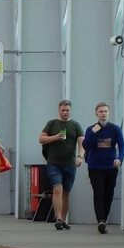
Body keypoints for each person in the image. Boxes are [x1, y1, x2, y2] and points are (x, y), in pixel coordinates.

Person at [82, 102, 124, 234]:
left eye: (105, 111)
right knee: (99, 192)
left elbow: (122, 146)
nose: (103, 114)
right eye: (101, 111)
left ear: (109, 113)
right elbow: (86, 145)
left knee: (108, 193)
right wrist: (93, 134)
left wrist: (120, 159)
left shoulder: (115, 129)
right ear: (96, 114)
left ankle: (104, 219)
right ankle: (100, 220)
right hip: (95, 166)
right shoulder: (91, 129)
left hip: (110, 167)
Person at [39, 99, 83, 230]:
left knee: (65, 193)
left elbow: (82, 142)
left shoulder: (75, 125)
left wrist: (80, 156)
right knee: (57, 189)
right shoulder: (52, 124)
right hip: (54, 163)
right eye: (63, 110)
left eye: (67, 110)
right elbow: (41, 139)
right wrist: (54, 137)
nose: (65, 112)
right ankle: (58, 218)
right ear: (59, 110)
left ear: (70, 110)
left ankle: (63, 220)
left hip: (70, 164)